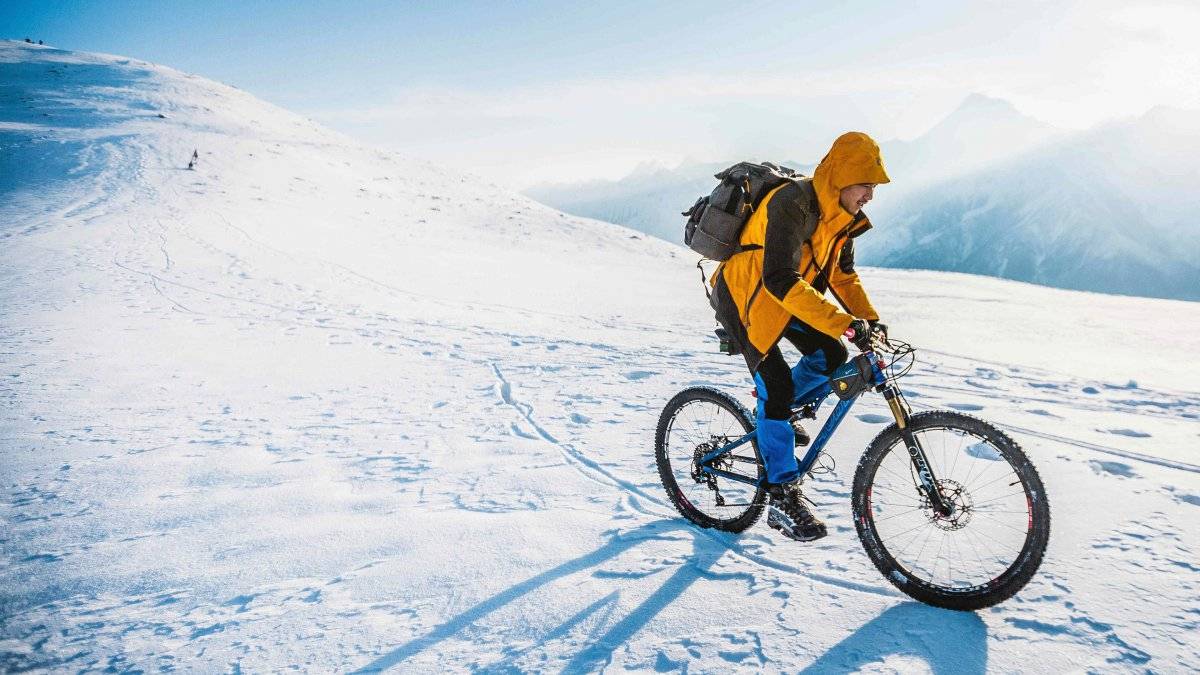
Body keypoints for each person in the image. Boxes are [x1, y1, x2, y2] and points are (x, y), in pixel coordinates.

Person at [709, 132, 890, 542]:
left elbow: (842, 275)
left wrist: (868, 320)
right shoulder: (791, 202)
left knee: (830, 354)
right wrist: (843, 321)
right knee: (775, 384)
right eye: (866, 185)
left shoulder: (841, 218)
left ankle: (779, 415)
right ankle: (781, 493)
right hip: (744, 297)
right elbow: (777, 278)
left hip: (786, 298)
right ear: (843, 178)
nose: (870, 196)